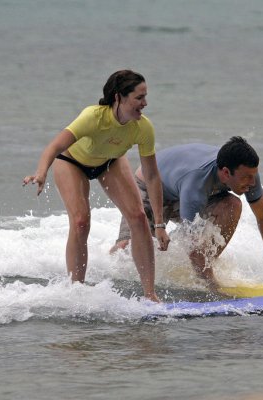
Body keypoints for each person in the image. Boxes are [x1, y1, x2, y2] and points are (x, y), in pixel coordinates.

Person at [23, 69, 168, 302]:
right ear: (119, 97)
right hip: (71, 162)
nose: (145, 103)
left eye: (145, 96)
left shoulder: (143, 128)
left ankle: (150, 294)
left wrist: (159, 224)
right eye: (139, 98)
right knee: (80, 222)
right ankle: (76, 292)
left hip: (109, 161)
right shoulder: (93, 117)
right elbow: (54, 146)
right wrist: (41, 173)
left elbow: (151, 177)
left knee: (139, 218)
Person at [110, 136, 263, 290]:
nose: (252, 183)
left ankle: (204, 270)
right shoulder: (196, 184)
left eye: (253, 176)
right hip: (148, 186)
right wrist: (215, 289)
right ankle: (106, 274)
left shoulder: (248, 174)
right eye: (246, 177)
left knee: (232, 204)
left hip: (179, 186)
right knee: (127, 245)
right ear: (226, 172)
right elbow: (192, 245)